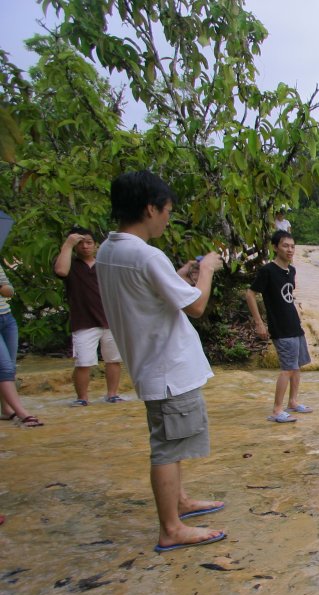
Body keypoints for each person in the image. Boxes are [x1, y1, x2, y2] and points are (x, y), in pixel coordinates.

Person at [97, 170, 226, 553]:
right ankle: (171, 527)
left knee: (173, 439)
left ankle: (180, 501)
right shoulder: (145, 254)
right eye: (167, 210)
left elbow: (148, 294)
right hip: (167, 366)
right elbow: (197, 305)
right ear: (150, 208)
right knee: (168, 447)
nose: (168, 217)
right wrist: (205, 270)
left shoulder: (109, 249)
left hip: (149, 360)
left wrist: (179, 274)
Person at [246, 231, 313, 424]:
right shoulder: (268, 271)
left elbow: (288, 297)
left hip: (294, 325)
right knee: (288, 368)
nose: (290, 249)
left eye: (292, 246)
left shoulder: (290, 271)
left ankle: (293, 402)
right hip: (280, 327)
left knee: (297, 366)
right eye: (285, 246)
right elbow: (250, 294)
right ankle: (277, 410)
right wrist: (259, 322)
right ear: (275, 247)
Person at [53, 227, 124, 406]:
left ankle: (112, 394)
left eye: (89, 242)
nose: (85, 246)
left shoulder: (104, 264)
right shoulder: (70, 264)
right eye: (81, 243)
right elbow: (61, 271)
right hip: (84, 322)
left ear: (96, 245)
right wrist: (68, 244)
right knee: (83, 363)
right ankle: (82, 398)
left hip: (110, 320)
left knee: (114, 360)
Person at [0, 261, 44, 427]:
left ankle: (5, 409)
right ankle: (21, 413)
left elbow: (9, 291)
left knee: (10, 366)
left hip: (6, 318)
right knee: (4, 368)